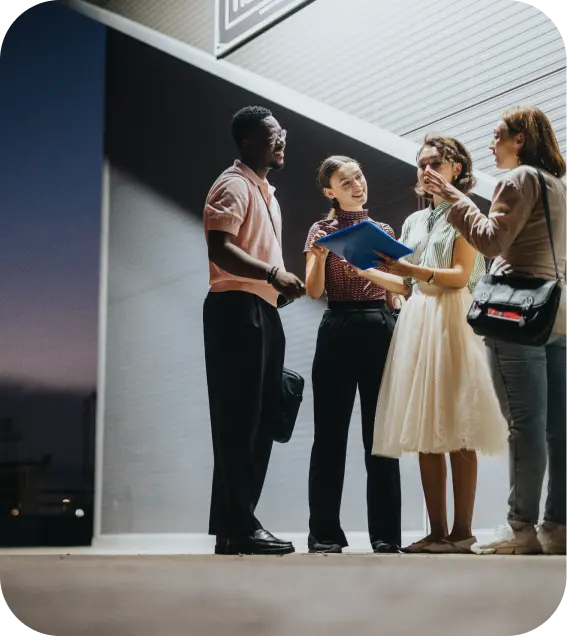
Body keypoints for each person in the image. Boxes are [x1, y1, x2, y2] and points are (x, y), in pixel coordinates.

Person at [428, 106, 567, 555]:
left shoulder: (519, 180)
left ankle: (520, 528)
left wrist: (459, 202)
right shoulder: (561, 188)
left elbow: (490, 241)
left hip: (519, 313)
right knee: (559, 428)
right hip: (560, 312)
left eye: (497, 135)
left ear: (520, 138)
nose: (490, 145)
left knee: (524, 425)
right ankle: (558, 526)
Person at [372, 136, 508, 554]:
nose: (426, 170)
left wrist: (410, 267)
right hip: (418, 320)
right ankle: (436, 533)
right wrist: (366, 270)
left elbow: (462, 275)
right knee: (426, 426)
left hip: (453, 319)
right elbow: (409, 285)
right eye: (421, 164)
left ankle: (463, 532)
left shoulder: (466, 214)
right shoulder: (413, 223)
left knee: (460, 423)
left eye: (435, 163)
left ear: (456, 168)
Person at [203, 105, 306, 555]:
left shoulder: (267, 193)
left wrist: (277, 288)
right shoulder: (233, 185)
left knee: (261, 422)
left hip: (263, 311)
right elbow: (220, 249)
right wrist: (271, 274)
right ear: (248, 142)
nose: (282, 140)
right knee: (237, 424)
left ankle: (235, 526)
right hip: (235, 310)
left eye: (282, 133)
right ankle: (237, 526)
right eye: (273, 134)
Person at [304, 155, 405, 554]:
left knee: (380, 438)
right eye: (346, 182)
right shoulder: (321, 229)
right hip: (337, 328)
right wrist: (325, 254)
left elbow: (397, 288)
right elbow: (313, 291)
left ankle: (386, 536)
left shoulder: (382, 230)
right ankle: (324, 534)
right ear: (330, 191)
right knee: (329, 436)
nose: (357, 185)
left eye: (359, 177)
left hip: (380, 327)